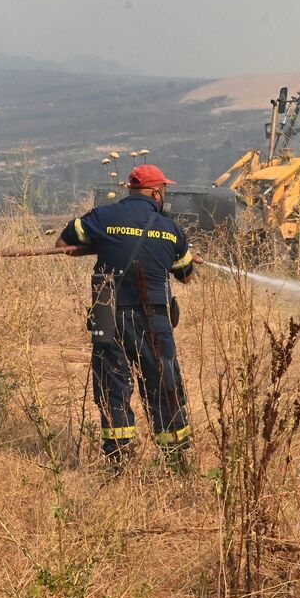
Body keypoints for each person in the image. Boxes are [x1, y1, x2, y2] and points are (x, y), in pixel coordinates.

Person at [56, 164, 196, 473]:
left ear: (130, 190)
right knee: (164, 383)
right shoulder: (171, 229)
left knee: (112, 383)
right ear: (155, 193)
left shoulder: (101, 217)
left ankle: (116, 459)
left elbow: (63, 246)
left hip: (108, 311)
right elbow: (186, 275)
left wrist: (100, 246)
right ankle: (176, 461)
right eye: (164, 192)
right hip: (153, 315)